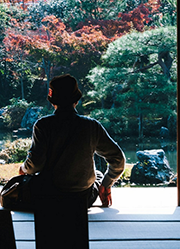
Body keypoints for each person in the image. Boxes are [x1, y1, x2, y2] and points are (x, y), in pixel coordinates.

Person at [19, 74, 125, 208]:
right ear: (76, 100)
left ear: (52, 99)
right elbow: (118, 159)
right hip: (82, 198)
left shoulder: (43, 125)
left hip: (47, 197)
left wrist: (23, 168)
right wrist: (106, 183)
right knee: (97, 175)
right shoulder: (91, 126)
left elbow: (35, 164)